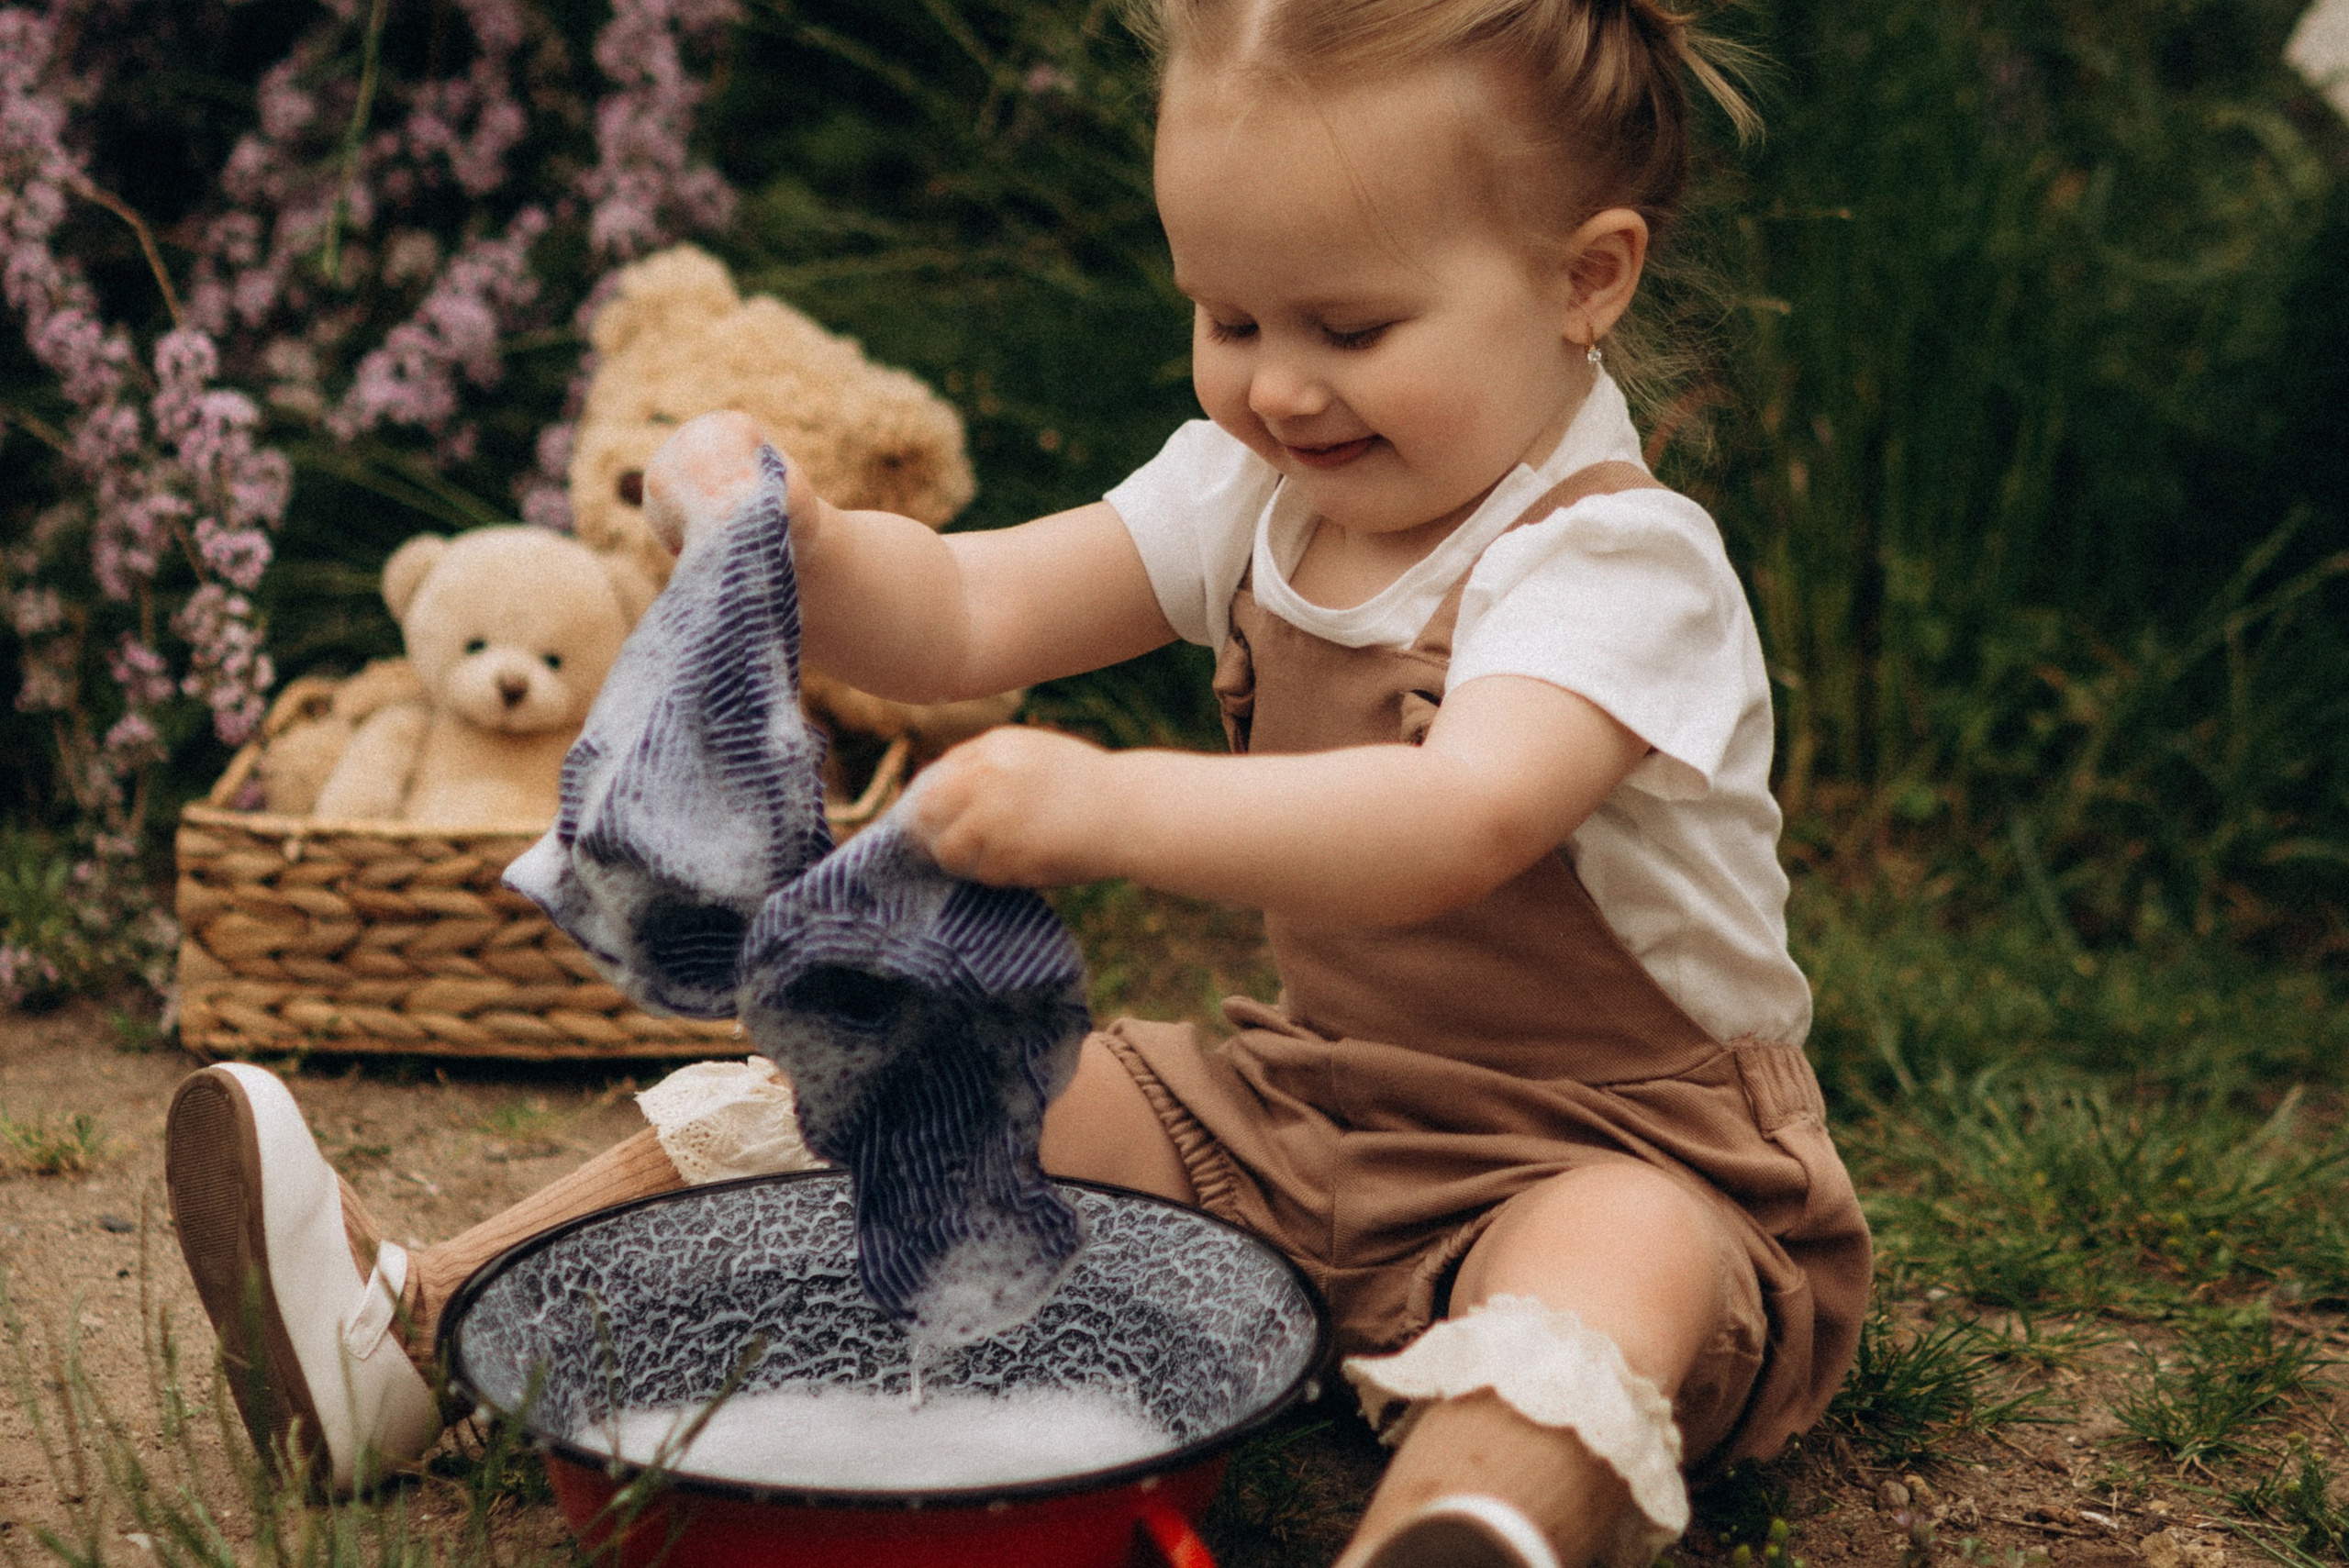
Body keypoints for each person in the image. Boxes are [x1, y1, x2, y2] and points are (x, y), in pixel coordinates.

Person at [165, 0, 1870, 1561]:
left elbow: (1460, 821)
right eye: (1228, 315)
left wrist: (1109, 805)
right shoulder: (1252, 490)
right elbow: (972, 609)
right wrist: (799, 538)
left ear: (1588, 280)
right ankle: (413, 1329)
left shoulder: (1614, 562)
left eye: (1352, 325)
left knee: (1611, 1261)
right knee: (921, 1073)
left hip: (1614, 1143)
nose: (1279, 383)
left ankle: (1465, 1519)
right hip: (1303, 1113)